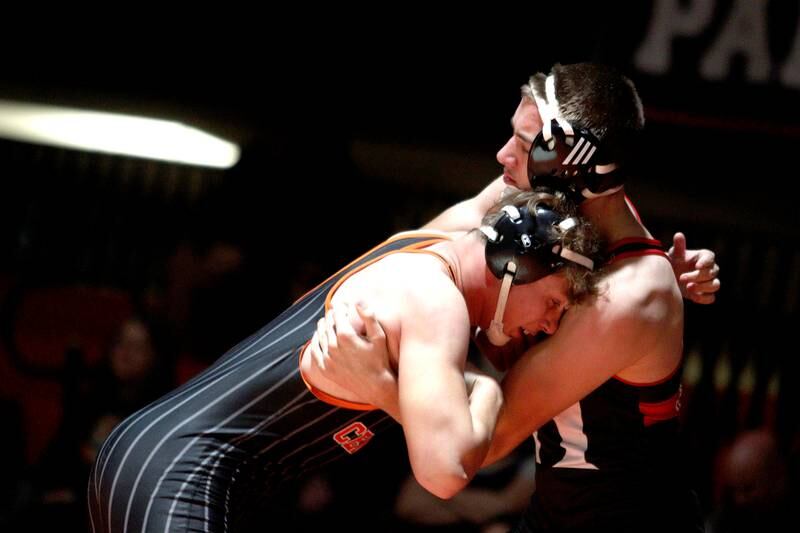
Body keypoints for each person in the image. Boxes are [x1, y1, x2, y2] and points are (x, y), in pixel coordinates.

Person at [313, 63, 708, 532]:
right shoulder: (554, 213)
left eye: (523, 146)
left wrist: (381, 384)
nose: (503, 156)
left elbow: (483, 441)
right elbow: (416, 254)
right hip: (556, 510)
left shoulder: (629, 294)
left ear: (573, 166)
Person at [87, 190, 602, 533]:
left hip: (163, 456)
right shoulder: (437, 302)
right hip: (181, 469)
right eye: (553, 303)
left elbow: (511, 178)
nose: (548, 325)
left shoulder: (425, 245)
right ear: (514, 267)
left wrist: (448, 388)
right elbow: (445, 471)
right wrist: (396, 390)